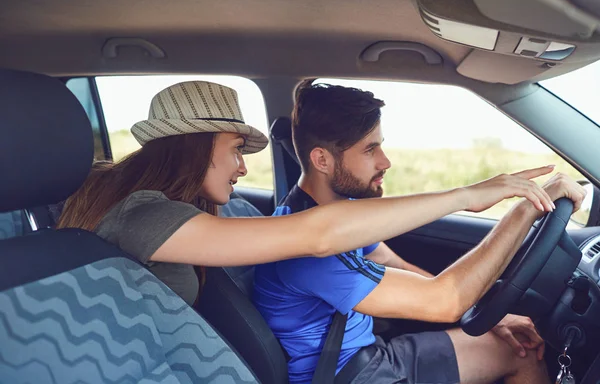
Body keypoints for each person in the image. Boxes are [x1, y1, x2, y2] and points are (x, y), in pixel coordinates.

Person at [58, 79, 564, 308]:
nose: (242, 165)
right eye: (235, 148)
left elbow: (353, 240)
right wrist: (468, 195)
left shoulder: (194, 213)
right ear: (193, 147)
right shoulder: (143, 216)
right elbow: (319, 235)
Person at [252, 81, 586, 384]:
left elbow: (384, 258)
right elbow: (445, 301)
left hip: (372, 355)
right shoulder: (308, 249)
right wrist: (527, 208)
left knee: (519, 352)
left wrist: (487, 315)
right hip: (349, 375)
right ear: (322, 160)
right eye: (370, 150)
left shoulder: (341, 215)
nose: (386, 161)